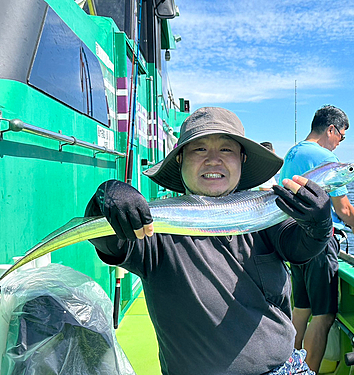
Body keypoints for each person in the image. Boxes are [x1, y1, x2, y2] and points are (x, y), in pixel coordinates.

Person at [85, 107, 334, 375]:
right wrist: (103, 204)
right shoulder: (155, 225)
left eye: (226, 150)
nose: (214, 160)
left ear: (242, 160)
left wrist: (319, 225)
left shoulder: (264, 212)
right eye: (199, 149)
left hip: (285, 369)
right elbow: (109, 241)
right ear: (180, 160)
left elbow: (299, 247)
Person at [278, 105, 354, 373]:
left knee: (302, 310)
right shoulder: (325, 159)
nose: (339, 143)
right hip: (319, 242)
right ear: (331, 129)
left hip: (294, 240)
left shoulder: (293, 152)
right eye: (341, 136)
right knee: (323, 316)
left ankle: (287, 367)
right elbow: (343, 209)